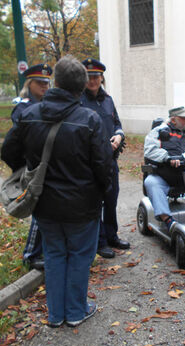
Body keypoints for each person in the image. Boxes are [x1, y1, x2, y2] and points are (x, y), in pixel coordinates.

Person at [1, 55, 113, 327]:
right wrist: (102, 190)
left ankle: (55, 315)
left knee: (53, 254)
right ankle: (75, 312)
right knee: (78, 256)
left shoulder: (29, 115)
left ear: (56, 82)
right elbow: (103, 165)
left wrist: (31, 170)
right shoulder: (90, 119)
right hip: (82, 205)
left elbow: (7, 151)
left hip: (44, 203)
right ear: (81, 86)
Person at [81, 58, 130, 259]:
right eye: (89, 77)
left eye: (96, 76)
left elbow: (117, 123)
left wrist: (119, 136)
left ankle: (112, 235)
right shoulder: (79, 101)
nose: (93, 81)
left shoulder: (107, 99)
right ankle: (100, 242)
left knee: (111, 200)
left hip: (111, 160)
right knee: (96, 202)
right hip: (91, 163)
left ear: (102, 78)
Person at [12, 64, 53, 270]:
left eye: (47, 82)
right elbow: (16, 141)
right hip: (33, 165)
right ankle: (30, 254)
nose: (44, 86)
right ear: (30, 84)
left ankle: (41, 251)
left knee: (44, 210)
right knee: (38, 210)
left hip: (47, 163)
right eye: (40, 83)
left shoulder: (48, 104)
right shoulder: (22, 107)